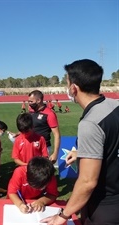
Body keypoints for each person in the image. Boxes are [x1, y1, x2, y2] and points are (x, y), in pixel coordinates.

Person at [41, 59, 119, 225]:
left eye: (67, 82)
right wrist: (83, 152)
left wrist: (63, 215)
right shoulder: (115, 105)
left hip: (105, 207)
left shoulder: (90, 123)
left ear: (73, 88)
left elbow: (87, 182)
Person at [28, 90, 60, 163]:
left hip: (43, 149)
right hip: (30, 146)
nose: (29, 104)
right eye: (28, 101)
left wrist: (55, 153)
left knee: (42, 173)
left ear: (38, 100)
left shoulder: (50, 114)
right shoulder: (31, 111)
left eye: (31, 101)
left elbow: (56, 134)